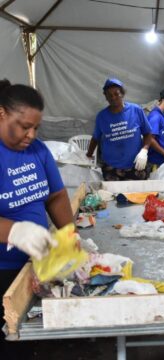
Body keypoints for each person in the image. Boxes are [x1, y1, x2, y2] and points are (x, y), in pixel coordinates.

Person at [0, 79, 75, 357]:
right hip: (3, 268)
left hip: (35, 264)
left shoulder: (38, 151)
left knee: (33, 336)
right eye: (23, 126)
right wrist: (16, 232)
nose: (30, 134)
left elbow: (55, 196)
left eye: (36, 127)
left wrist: (70, 235)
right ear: (2, 113)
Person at [86, 78, 152, 181]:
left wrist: (144, 150)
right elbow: (95, 138)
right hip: (111, 168)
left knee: (138, 195)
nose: (113, 97)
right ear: (106, 97)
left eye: (116, 94)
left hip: (135, 165)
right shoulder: (102, 116)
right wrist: (88, 155)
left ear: (122, 93)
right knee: (113, 196)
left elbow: (148, 133)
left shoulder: (136, 110)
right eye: (109, 95)